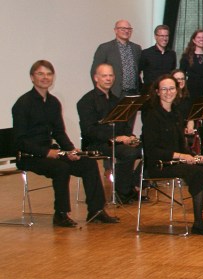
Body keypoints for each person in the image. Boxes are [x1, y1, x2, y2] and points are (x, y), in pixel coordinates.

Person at [13, 60, 118, 227]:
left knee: (88, 164)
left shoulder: (53, 102)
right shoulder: (23, 104)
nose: (45, 77)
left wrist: (70, 150)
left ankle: (96, 211)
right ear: (32, 77)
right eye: (40, 74)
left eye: (49, 74)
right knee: (61, 168)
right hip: (29, 156)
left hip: (50, 152)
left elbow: (59, 132)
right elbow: (20, 140)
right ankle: (61, 214)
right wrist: (46, 152)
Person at [141, 74, 203, 236]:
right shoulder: (152, 116)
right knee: (199, 173)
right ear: (157, 92)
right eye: (164, 89)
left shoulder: (176, 113)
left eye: (172, 88)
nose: (168, 92)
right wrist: (181, 156)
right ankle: (198, 224)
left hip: (178, 161)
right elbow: (152, 151)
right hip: (160, 164)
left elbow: (181, 145)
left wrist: (195, 156)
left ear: (177, 90)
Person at [77, 63, 141, 204]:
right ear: (96, 78)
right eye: (104, 76)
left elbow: (123, 124)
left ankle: (133, 185)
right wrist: (115, 138)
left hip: (116, 142)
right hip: (96, 144)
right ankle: (122, 193)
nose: (108, 78)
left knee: (147, 148)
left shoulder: (116, 100)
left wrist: (129, 136)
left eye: (111, 75)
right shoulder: (86, 101)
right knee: (129, 152)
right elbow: (89, 130)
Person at [92, 19, 142, 97]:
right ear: (115, 30)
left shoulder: (136, 48)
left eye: (129, 29)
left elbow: (138, 70)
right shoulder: (105, 48)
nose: (126, 31)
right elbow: (95, 71)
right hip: (114, 93)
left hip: (133, 92)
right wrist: (100, 93)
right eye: (123, 29)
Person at [180, 29, 203, 99]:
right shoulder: (186, 56)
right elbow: (182, 73)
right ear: (193, 40)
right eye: (198, 37)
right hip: (190, 90)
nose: (201, 39)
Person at [139, 25, 176, 92]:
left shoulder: (172, 54)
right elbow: (137, 72)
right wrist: (141, 87)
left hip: (167, 92)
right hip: (150, 92)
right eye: (162, 36)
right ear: (155, 36)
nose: (165, 38)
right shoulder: (146, 53)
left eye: (166, 36)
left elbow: (172, 73)